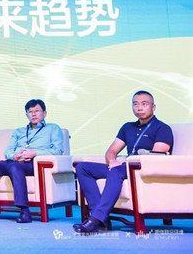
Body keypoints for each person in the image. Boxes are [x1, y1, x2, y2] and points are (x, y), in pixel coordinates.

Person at [73, 90, 173, 234]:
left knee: (116, 171)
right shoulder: (128, 127)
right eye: (135, 104)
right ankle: (101, 219)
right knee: (83, 168)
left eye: (144, 104)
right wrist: (113, 160)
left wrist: (124, 164)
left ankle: (95, 219)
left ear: (153, 107)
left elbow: (156, 157)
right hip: (124, 168)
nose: (139, 108)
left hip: (141, 169)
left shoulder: (162, 128)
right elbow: (111, 150)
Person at [0, 98, 63, 224]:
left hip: (33, 164)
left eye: (37, 111)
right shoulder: (19, 131)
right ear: (27, 114)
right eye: (30, 112)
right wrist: (14, 156)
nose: (33, 114)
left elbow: (58, 150)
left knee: (14, 167)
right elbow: (8, 151)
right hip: (14, 161)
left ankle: (25, 211)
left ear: (44, 113)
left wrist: (34, 153)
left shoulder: (53, 128)